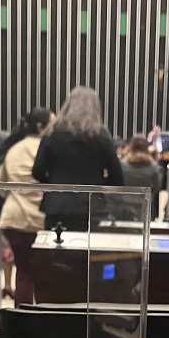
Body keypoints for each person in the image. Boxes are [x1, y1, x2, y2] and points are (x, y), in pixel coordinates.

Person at [32, 86, 124, 233]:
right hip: (91, 206)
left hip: (56, 205)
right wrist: (99, 185)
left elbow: (37, 171)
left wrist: (54, 184)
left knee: (56, 245)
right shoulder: (100, 134)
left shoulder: (52, 132)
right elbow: (117, 176)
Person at [0, 107, 53, 307]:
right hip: (42, 219)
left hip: (14, 217)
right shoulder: (47, 148)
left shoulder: (14, 149)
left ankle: (21, 317)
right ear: (40, 127)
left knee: (24, 272)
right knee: (46, 275)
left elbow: (0, 187)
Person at [118, 134, 161, 219]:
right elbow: (157, 187)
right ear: (147, 148)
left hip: (124, 208)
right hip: (145, 208)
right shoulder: (154, 167)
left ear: (131, 146)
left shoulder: (122, 165)